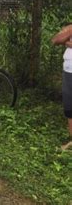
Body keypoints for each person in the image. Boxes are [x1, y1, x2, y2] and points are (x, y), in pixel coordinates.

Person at [52, 23, 72, 151]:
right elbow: (56, 40)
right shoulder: (71, 28)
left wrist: (68, 42)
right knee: (69, 107)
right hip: (68, 72)